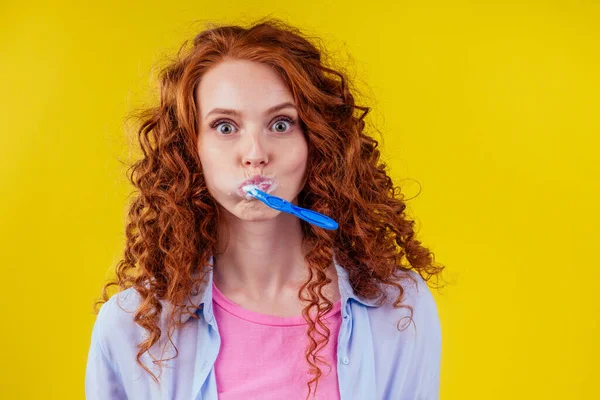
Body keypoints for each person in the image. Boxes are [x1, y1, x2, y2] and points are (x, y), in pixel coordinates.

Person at [85, 17, 445, 400]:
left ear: (316, 142)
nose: (256, 155)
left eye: (280, 124)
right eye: (225, 127)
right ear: (191, 150)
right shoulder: (133, 329)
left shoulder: (399, 310)